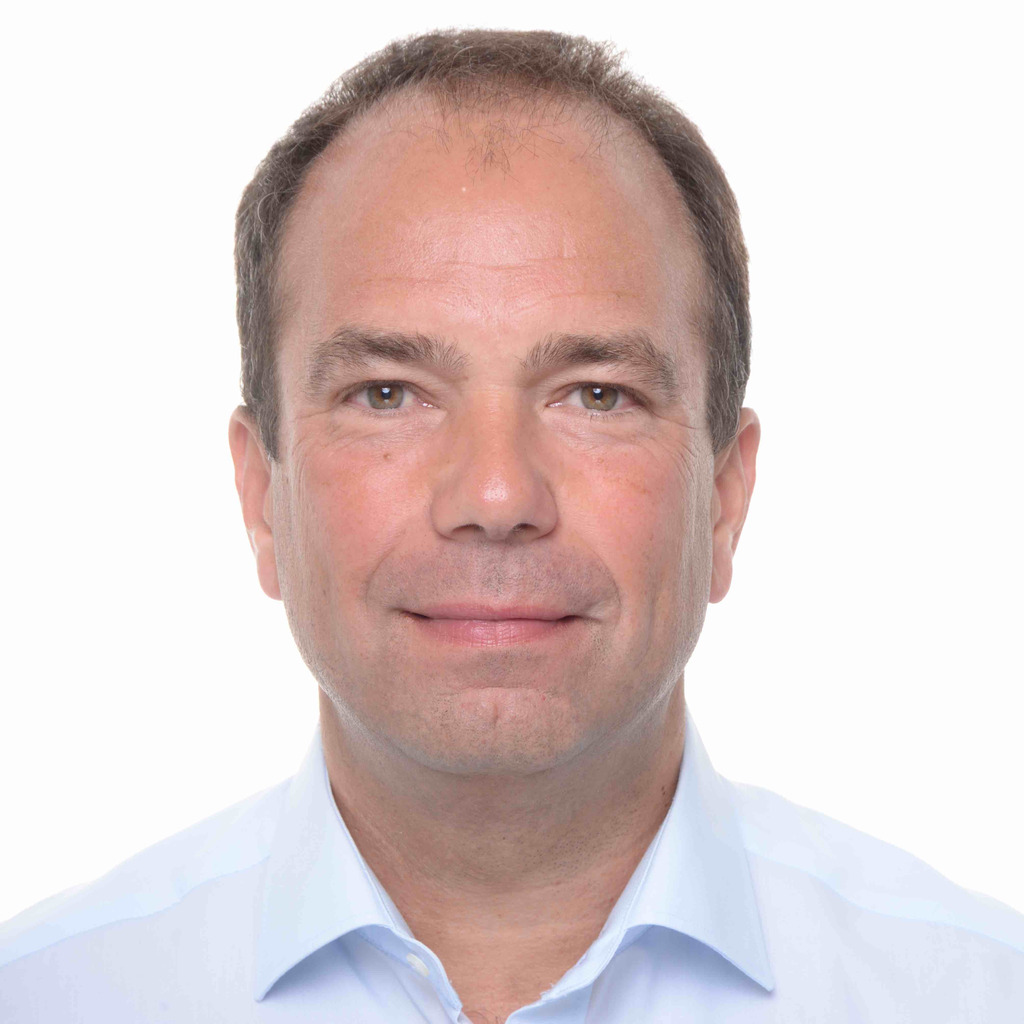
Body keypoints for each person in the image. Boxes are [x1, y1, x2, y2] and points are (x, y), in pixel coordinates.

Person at [1, 27, 1021, 1023]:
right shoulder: (48, 994)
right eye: (387, 393)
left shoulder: (976, 995)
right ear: (261, 494)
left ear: (724, 496)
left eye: (597, 395)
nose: (495, 496)